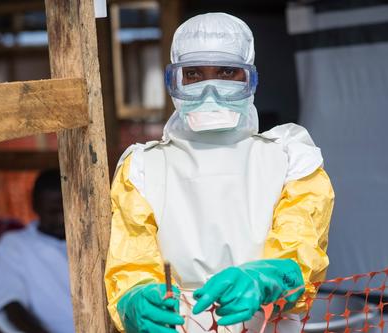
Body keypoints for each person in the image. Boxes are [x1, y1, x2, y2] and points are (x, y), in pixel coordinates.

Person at [104, 13, 335, 333]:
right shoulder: (142, 169)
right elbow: (131, 262)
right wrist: (134, 298)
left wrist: (267, 278)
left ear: (250, 78)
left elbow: (302, 253)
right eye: (194, 74)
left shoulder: (291, 159)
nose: (210, 89)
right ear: (175, 80)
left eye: (226, 72)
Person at [0, 169, 74, 333]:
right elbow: (10, 305)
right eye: (52, 212)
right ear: (35, 206)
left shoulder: (90, 241)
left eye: (65, 210)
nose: (60, 219)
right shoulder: (15, 245)